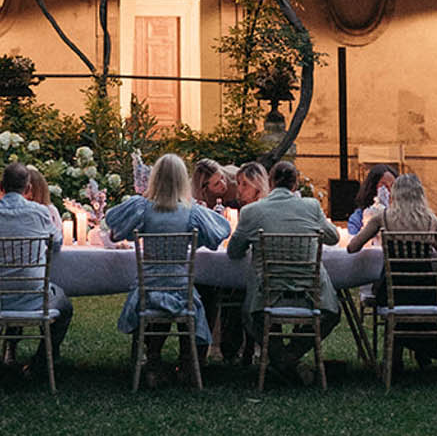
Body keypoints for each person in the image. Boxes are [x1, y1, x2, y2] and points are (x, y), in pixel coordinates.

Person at [103, 153, 229, 383]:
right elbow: (219, 234)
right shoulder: (192, 212)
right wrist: (194, 240)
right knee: (201, 294)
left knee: (157, 294)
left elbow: (113, 227)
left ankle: (153, 360)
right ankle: (189, 363)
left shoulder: (143, 207)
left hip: (148, 289)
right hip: (181, 292)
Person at [0, 160, 72, 381]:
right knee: (65, 305)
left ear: (1, 186)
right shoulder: (41, 213)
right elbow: (56, 243)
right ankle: (42, 362)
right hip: (35, 298)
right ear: (28, 189)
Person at [227, 159, 342, 370]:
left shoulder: (251, 212)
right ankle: (291, 356)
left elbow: (233, 252)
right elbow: (333, 237)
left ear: (269, 183)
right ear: (295, 184)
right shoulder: (311, 206)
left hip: (266, 296)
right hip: (310, 294)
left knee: (250, 315)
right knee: (332, 313)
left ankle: (282, 358)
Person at [349, 172, 437, 367]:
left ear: (394, 195)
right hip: (426, 294)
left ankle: (397, 360)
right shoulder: (431, 221)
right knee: (407, 295)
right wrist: (431, 241)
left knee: (389, 293)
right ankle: (420, 351)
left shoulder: (383, 219)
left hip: (391, 294)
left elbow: (352, 247)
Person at [345, 162, 397, 240]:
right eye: (384, 186)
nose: (389, 191)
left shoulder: (402, 215)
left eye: (393, 186)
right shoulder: (358, 217)